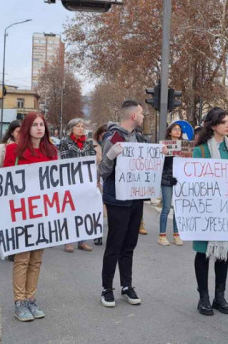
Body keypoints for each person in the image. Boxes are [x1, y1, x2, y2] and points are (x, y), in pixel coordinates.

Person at [2, 112, 58, 321]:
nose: (39, 128)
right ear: (27, 128)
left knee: (36, 259)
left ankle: (31, 299)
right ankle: (19, 302)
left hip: (43, 211)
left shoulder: (51, 151)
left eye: (42, 124)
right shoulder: (13, 151)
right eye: (34, 125)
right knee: (23, 258)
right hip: (22, 212)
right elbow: (5, 180)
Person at [99, 100, 148, 308]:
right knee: (114, 244)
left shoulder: (139, 138)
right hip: (118, 200)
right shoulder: (113, 137)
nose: (144, 116)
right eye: (142, 113)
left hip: (135, 198)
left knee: (129, 244)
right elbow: (102, 171)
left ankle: (126, 286)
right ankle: (107, 288)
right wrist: (110, 155)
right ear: (133, 116)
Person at [192, 107, 228, 315]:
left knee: (223, 254)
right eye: (224, 122)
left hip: (226, 209)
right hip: (206, 210)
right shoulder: (200, 150)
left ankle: (220, 296)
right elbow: (192, 179)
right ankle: (203, 297)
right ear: (213, 126)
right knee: (203, 253)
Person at [58, 118, 95, 253]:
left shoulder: (88, 143)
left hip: (84, 181)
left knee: (83, 211)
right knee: (70, 211)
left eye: (82, 126)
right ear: (71, 129)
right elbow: (65, 160)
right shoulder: (64, 142)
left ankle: (82, 241)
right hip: (70, 181)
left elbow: (91, 160)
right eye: (78, 126)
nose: (81, 128)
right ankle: (68, 241)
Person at [158, 122, 184, 246]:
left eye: (179, 129)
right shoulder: (164, 146)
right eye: (175, 129)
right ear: (170, 132)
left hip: (179, 180)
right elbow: (160, 164)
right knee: (166, 208)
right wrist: (162, 153)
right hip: (166, 179)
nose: (177, 131)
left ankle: (176, 234)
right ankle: (162, 235)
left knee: (178, 209)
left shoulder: (184, 146)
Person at [93, 124, 108, 246]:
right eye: (102, 133)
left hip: (107, 179)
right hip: (96, 179)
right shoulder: (93, 146)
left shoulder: (112, 144)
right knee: (97, 208)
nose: (104, 135)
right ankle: (97, 234)